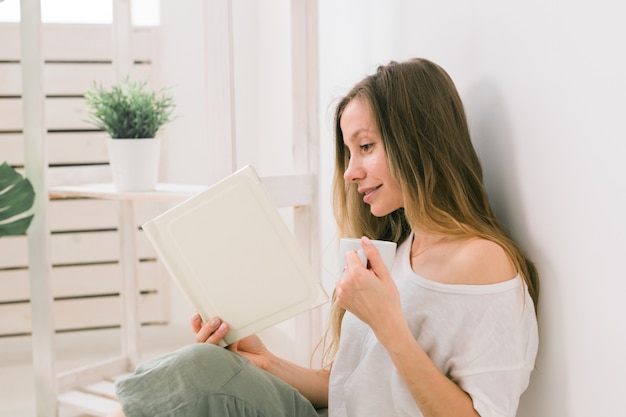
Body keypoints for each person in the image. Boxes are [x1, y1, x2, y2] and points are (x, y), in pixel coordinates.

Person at [108, 58, 539, 417]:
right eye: (350, 154)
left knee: (198, 370)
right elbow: (350, 390)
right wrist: (265, 361)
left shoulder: (483, 262)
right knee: (210, 367)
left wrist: (390, 326)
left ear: (418, 141)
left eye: (365, 147)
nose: (351, 172)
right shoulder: (400, 250)